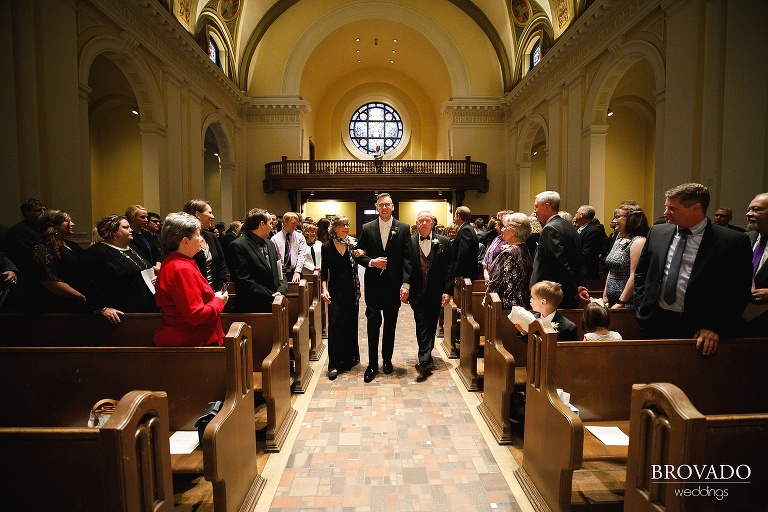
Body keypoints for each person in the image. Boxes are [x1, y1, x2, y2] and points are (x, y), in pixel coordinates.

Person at [634, 183, 753, 354]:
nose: (666, 213)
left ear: (696, 208)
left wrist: (715, 327)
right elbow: (642, 273)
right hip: (654, 321)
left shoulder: (732, 241)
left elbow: (739, 291)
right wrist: (642, 307)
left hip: (699, 330)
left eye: (672, 208)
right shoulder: (657, 232)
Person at [356, 193, 411, 383]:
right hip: (373, 285)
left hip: (393, 285)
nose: (384, 208)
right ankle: (372, 364)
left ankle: (387, 360)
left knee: (390, 325)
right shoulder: (367, 228)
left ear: (393, 206)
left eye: (387, 204)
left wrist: (405, 284)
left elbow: (407, 259)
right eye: (381, 205)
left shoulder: (403, 228)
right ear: (377, 207)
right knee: (373, 324)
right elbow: (358, 254)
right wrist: (371, 262)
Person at [154, 212, 228, 347]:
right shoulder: (181, 269)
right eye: (198, 235)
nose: (201, 239)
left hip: (192, 338)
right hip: (190, 341)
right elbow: (196, 314)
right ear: (185, 241)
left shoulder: (178, 261)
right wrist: (219, 301)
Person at [401, 211, 454, 377]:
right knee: (421, 322)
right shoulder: (409, 242)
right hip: (418, 291)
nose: (423, 223)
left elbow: (449, 268)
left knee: (431, 324)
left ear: (432, 224)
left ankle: (426, 354)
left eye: (427, 221)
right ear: (417, 224)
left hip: (436, 291)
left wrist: (447, 291)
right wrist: (406, 287)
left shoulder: (444, 242)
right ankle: (424, 358)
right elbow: (407, 266)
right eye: (420, 221)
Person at [83, 214, 158, 324]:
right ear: (112, 231)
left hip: (146, 305)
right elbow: (91, 282)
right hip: (122, 312)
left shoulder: (133, 248)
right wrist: (102, 308)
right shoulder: (97, 252)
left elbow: (143, 270)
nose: (131, 230)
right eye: (126, 227)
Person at [320, 216, 364, 379]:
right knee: (336, 324)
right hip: (335, 291)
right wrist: (324, 290)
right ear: (335, 227)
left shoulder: (353, 243)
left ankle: (349, 359)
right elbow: (324, 272)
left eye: (348, 224)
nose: (346, 227)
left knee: (350, 323)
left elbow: (365, 253)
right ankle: (333, 363)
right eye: (342, 225)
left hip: (352, 290)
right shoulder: (326, 246)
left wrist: (363, 252)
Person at [529, 191, 588, 309]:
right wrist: (579, 285)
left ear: (546, 206)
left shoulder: (550, 229)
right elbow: (580, 261)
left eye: (536, 206)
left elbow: (559, 263)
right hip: (565, 292)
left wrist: (574, 290)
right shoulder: (568, 226)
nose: (534, 210)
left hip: (553, 295)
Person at [228, 208, 287, 313]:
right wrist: (271, 295)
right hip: (253, 307)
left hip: (276, 302)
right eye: (270, 223)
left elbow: (279, 271)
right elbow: (243, 280)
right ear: (261, 224)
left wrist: (281, 291)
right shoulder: (238, 245)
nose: (272, 226)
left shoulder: (270, 244)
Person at [31, 209, 89, 312]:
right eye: (67, 221)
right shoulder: (42, 248)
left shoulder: (72, 245)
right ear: (55, 225)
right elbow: (49, 280)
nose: (72, 224)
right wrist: (80, 297)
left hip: (77, 302)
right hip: (56, 305)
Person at [602, 205, 649, 308]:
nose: (614, 221)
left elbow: (634, 275)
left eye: (617, 217)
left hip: (627, 302)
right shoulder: (618, 240)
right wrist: (605, 296)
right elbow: (611, 270)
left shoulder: (638, 241)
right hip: (612, 300)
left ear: (631, 219)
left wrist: (621, 302)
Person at [3, 198, 46, 308]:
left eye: (44, 210)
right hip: (26, 280)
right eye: (38, 210)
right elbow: (30, 255)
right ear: (26, 213)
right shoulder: (19, 230)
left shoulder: (43, 228)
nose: (43, 213)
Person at [484, 212, 533, 309]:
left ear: (513, 231)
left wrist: (486, 299)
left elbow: (496, 281)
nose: (502, 229)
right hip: (522, 304)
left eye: (504, 227)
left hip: (507, 307)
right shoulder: (523, 248)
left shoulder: (509, 253)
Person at [182, 199, 227, 292]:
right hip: (195, 292)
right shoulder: (184, 239)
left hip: (216, 292)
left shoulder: (211, 236)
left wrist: (220, 288)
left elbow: (221, 264)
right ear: (197, 214)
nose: (213, 216)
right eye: (210, 213)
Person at [743, 192, 768, 335]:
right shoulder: (744, 239)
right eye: (748, 209)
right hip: (737, 322)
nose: (748, 214)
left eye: (756, 209)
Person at [272, 212, 307, 283]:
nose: (295, 226)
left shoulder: (300, 237)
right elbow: (274, 258)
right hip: (281, 272)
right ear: (285, 222)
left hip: (295, 271)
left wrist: (297, 271)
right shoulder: (275, 239)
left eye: (296, 224)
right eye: (293, 223)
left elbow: (302, 255)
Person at [125, 205, 163, 271]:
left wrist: (157, 267)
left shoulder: (147, 233)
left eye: (146, 217)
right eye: (142, 217)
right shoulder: (128, 236)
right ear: (132, 218)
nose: (146, 220)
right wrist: (152, 268)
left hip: (155, 270)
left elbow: (157, 254)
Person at [573, 205, 605, 281]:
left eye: (577, 213)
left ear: (581, 215)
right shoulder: (581, 229)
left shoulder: (592, 231)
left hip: (587, 273)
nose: (575, 215)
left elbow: (587, 253)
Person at [482, 210, 513, 279]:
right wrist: (485, 272)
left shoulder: (511, 241)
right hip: (490, 276)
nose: (496, 222)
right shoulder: (497, 238)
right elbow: (486, 257)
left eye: (498, 220)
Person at [452, 206, 479, 280]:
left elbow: (463, 252)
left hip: (465, 274)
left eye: (454, 215)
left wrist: (457, 273)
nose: (454, 218)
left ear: (458, 216)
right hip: (467, 272)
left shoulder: (465, 230)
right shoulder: (468, 228)